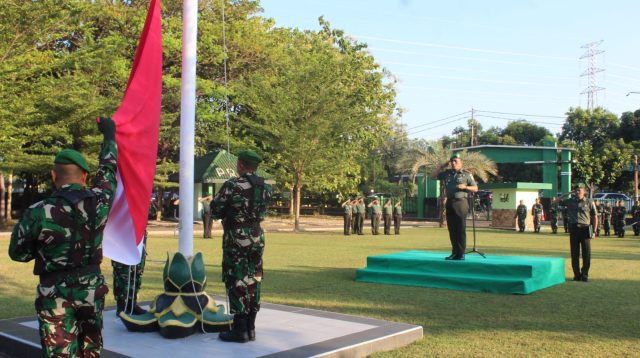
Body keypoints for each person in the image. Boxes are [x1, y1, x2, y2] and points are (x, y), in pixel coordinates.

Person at [9, 117, 117, 356]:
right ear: (84, 177)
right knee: (91, 352)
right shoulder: (100, 201)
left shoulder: (37, 211)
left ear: (53, 175)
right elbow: (108, 170)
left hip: (54, 295)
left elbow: (17, 253)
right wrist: (109, 136)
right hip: (91, 292)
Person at [211, 150, 272, 343]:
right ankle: (250, 327)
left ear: (241, 164)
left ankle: (239, 329)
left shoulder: (232, 185)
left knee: (236, 277)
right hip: (256, 235)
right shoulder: (265, 187)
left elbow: (215, 210)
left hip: (236, 236)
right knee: (254, 277)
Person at [432, 152, 478, 260]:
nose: (453, 163)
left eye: (455, 161)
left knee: (460, 229)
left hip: (461, 203)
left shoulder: (466, 174)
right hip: (450, 202)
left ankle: (461, 253)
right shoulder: (447, 173)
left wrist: (465, 186)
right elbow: (433, 176)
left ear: (461, 162)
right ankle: (454, 252)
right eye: (452, 161)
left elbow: (475, 188)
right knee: (452, 229)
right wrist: (441, 166)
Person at [564, 183, 597, 282]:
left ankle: (585, 274)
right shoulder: (570, 201)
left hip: (585, 229)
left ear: (584, 191)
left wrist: (594, 231)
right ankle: (577, 275)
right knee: (574, 253)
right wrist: (568, 193)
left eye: (580, 190)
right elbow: (555, 202)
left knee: (586, 253)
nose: (577, 191)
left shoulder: (589, 202)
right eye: (576, 190)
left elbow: (595, 217)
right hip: (574, 229)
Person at [112, 231, 147, 316]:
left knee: (137, 272)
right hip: (122, 234)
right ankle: (121, 306)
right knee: (122, 273)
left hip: (138, 232)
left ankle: (132, 304)